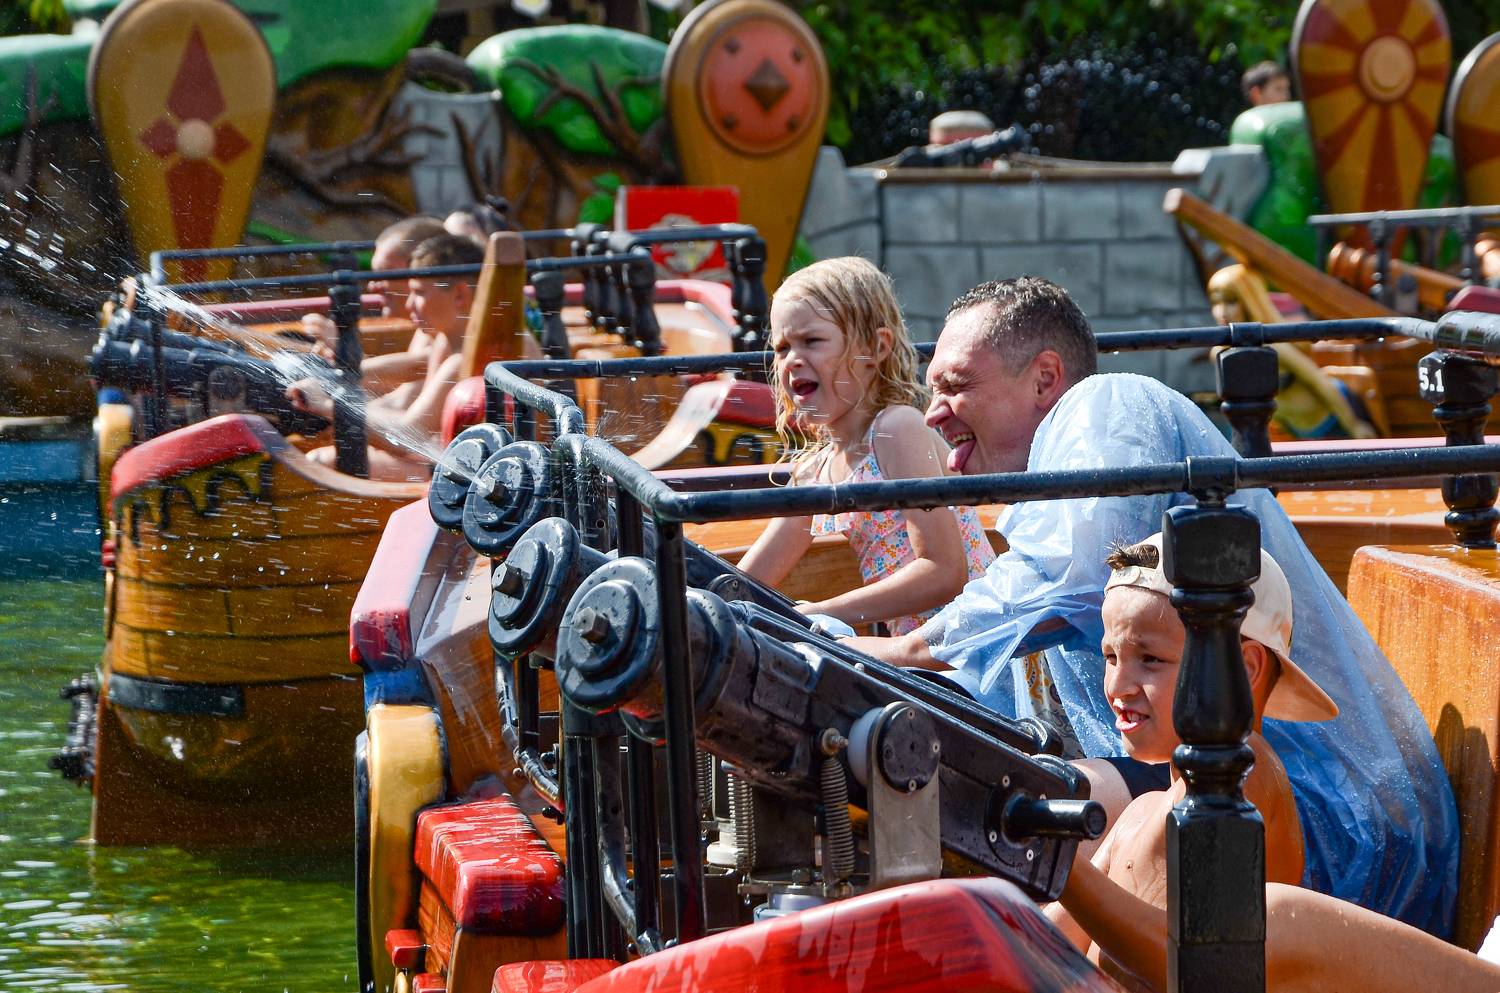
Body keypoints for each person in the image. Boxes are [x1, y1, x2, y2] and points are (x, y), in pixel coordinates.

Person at [848, 276, 1458, 935]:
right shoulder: (1047, 504)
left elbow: (1073, 571)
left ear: (1045, 378)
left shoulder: (1106, 404)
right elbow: (1013, 671)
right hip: (1197, 777)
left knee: (1026, 807)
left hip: (1321, 821)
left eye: (956, 384)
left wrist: (902, 650)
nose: (933, 413)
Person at [1046, 535, 1338, 986]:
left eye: (1150, 659)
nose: (1118, 685)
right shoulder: (1138, 815)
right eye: (1110, 656)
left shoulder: (1245, 770)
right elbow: (1046, 942)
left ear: (1244, 668)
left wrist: (1060, 864)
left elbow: (1192, 966)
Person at [736, 257, 994, 635]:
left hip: (977, 649)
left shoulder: (897, 429)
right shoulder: (816, 473)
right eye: (782, 348)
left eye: (812, 341)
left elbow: (943, 571)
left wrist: (815, 615)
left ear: (875, 347)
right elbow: (744, 583)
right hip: (919, 651)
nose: (792, 360)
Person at [287, 233, 483, 481]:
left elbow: (409, 434)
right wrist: (331, 393)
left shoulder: (464, 357)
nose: (409, 305)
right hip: (441, 462)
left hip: (463, 478)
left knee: (319, 462)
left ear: (460, 295)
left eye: (419, 293)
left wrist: (330, 404)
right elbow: (399, 404)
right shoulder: (445, 341)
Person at [303, 215, 447, 398]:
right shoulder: (426, 329)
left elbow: (410, 381)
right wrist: (340, 357)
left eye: (384, 274)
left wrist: (342, 352)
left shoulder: (444, 332)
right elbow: (397, 391)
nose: (372, 286)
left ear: (422, 270)